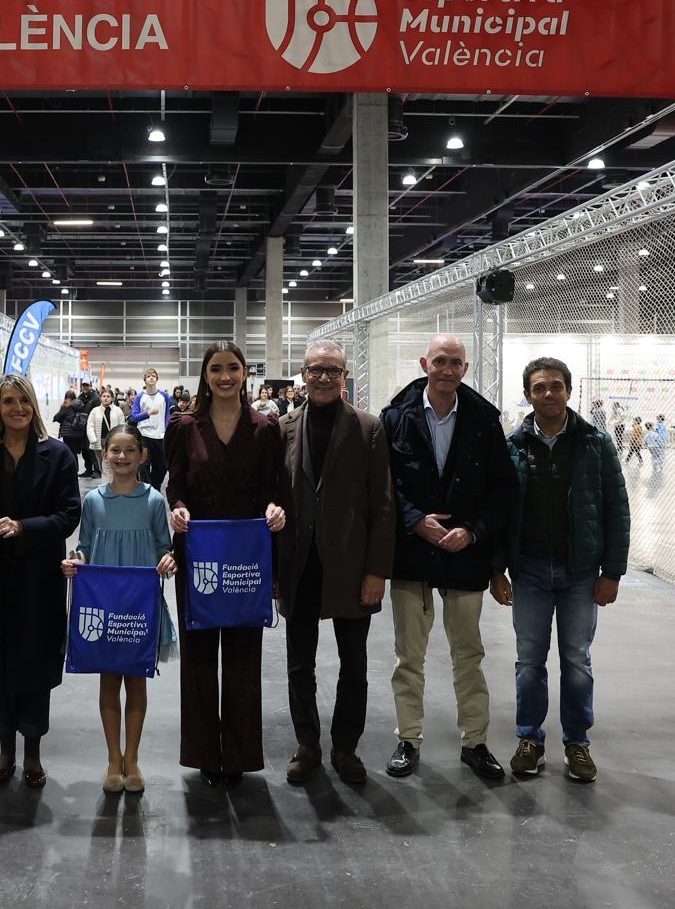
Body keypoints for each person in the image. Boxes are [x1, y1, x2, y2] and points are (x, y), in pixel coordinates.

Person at [378, 333, 518, 783]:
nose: (447, 370)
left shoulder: (483, 421)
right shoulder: (395, 418)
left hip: (465, 555)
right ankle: (408, 739)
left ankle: (475, 742)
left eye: (455, 363)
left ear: (465, 369)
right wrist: (415, 520)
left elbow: (503, 490)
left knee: (468, 654)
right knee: (409, 656)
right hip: (412, 552)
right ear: (425, 364)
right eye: (439, 361)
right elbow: (382, 484)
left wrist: (473, 531)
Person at [498, 356, 630, 783]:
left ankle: (577, 743)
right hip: (529, 571)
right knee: (529, 661)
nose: (548, 394)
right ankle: (530, 740)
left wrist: (612, 572)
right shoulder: (513, 445)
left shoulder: (595, 443)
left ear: (569, 392)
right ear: (528, 395)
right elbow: (500, 512)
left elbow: (617, 509)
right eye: (539, 387)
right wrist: (496, 570)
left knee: (576, 661)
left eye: (556, 386)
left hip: (580, 573)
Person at [166, 341, 288, 786]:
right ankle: (204, 753)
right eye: (216, 368)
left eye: (232, 368)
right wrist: (178, 508)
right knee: (198, 655)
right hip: (198, 549)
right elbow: (175, 485)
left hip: (245, 554)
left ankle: (237, 754)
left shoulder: (265, 427)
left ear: (244, 373)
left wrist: (274, 508)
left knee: (242, 655)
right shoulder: (184, 426)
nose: (224, 376)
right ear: (205, 375)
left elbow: (274, 487)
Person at [279, 341, 394, 785]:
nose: (323, 377)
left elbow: (383, 503)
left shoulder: (368, 427)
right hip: (299, 564)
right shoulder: (284, 427)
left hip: (351, 564)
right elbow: (275, 499)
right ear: (303, 375)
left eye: (333, 370)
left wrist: (376, 571)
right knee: (299, 664)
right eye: (315, 370)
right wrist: (275, 571)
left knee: (354, 664)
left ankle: (346, 748)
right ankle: (307, 744)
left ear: (345, 376)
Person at [0, 375, 81, 789]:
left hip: (39, 578)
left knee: (36, 665)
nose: (17, 408)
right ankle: (5, 751)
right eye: (8, 401)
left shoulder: (58, 455)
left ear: (34, 406)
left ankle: (32, 753)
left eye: (23, 400)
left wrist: (23, 527)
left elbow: (69, 515)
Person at [61, 422, 178, 794]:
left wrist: (168, 559)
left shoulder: (154, 501)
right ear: (104, 454)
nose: (122, 456)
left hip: (140, 606)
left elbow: (164, 546)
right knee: (109, 681)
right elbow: (85, 546)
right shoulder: (94, 501)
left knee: (137, 680)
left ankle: (133, 758)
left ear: (143, 455)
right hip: (105, 604)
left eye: (130, 450)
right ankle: (114, 758)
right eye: (115, 450)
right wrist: (76, 561)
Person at [130, 368, 173, 492]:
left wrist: (167, 429)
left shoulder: (164, 396)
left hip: (160, 436)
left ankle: (155, 488)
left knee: (162, 466)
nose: (151, 377)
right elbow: (134, 417)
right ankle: (146, 490)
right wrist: (148, 413)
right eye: (149, 376)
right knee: (143, 466)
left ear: (157, 379)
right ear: (145, 380)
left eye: (153, 375)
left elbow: (167, 415)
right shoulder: (140, 396)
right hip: (144, 436)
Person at [53, 390, 93, 478]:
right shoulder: (79, 405)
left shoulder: (66, 406)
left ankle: (72, 470)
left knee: (69, 453)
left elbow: (57, 417)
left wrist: (62, 408)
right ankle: (75, 470)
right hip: (77, 433)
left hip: (68, 433)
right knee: (74, 452)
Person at [85, 389, 123, 482]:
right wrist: (93, 439)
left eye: (108, 396)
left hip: (113, 442)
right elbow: (90, 425)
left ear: (112, 398)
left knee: (111, 462)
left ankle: (111, 481)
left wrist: (120, 439)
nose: (106, 398)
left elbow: (122, 425)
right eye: (104, 396)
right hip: (99, 441)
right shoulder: (95, 411)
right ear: (100, 398)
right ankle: (106, 481)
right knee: (102, 462)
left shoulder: (117, 410)